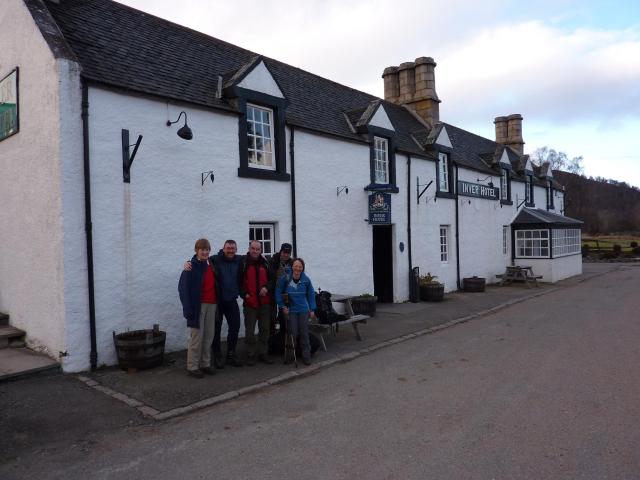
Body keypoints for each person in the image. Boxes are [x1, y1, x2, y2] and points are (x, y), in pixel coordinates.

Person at [184, 239, 243, 367]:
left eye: (233, 248)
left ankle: (231, 354)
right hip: (217, 301)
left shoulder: (239, 260)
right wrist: (187, 263)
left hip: (230, 300)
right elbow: (197, 260)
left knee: (234, 327)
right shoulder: (214, 260)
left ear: (236, 250)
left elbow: (252, 257)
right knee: (214, 330)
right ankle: (217, 355)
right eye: (228, 248)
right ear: (223, 248)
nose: (230, 250)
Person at [178, 238, 218, 378]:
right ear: (197, 250)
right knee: (196, 337)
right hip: (198, 306)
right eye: (202, 249)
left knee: (209, 336)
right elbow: (183, 289)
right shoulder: (190, 267)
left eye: (207, 249)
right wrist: (187, 308)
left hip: (212, 304)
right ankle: (192, 366)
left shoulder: (211, 264)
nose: (205, 252)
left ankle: (205, 364)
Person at [275, 258, 316, 365]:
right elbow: (278, 292)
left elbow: (311, 294)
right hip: (291, 310)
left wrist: (312, 309)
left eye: (300, 266)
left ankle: (306, 356)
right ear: (292, 266)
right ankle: (290, 356)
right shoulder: (285, 278)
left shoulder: (306, 280)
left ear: (303, 268)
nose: (298, 268)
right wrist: (282, 306)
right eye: (296, 266)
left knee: (304, 333)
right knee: (292, 333)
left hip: (303, 310)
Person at [239, 240, 274, 365]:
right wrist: (244, 294)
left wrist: (266, 287)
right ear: (249, 249)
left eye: (257, 249)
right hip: (250, 304)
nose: (255, 251)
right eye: (253, 248)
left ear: (261, 250)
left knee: (265, 330)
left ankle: (263, 353)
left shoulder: (266, 263)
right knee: (250, 332)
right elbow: (238, 282)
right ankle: (250, 354)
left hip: (264, 303)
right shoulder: (243, 263)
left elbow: (272, 279)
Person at [268, 243, 294, 335]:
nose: (286, 255)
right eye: (284, 252)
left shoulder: (292, 263)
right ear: (281, 251)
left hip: (285, 294)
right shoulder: (272, 261)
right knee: (271, 316)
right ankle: (272, 336)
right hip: (272, 292)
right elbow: (269, 276)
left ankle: (281, 336)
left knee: (283, 316)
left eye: (288, 253)